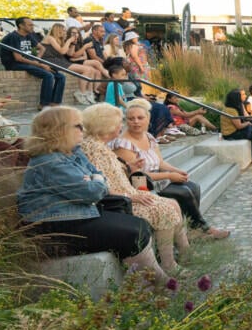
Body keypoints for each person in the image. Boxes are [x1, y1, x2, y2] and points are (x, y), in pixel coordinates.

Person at [16, 106, 164, 281]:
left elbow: (99, 180)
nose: (83, 130)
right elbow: (92, 192)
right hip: (56, 226)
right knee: (133, 232)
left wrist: (94, 180)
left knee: (139, 225)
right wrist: (95, 181)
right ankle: (158, 282)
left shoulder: (73, 153)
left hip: (78, 215)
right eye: (78, 126)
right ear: (59, 130)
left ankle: (148, 282)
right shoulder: (49, 161)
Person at [80, 103, 189, 272]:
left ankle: (183, 252)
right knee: (165, 209)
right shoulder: (95, 149)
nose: (121, 126)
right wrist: (131, 196)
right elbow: (101, 184)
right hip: (118, 200)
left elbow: (110, 172)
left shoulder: (99, 146)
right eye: (119, 122)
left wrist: (129, 166)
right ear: (105, 126)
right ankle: (169, 264)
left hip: (127, 193)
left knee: (172, 203)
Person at [110, 98, 230, 240]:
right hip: (141, 184)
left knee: (193, 186)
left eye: (140, 118)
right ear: (126, 121)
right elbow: (137, 175)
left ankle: (190, 228)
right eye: (131, 119)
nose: (136, 121)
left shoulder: (148, 137)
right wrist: (169, 176)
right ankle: (204, 228)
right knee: (184, 192)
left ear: (148, 119)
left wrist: (176, 170)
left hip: (157, 177)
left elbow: (160, 162)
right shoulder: (123, 144)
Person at [0, 17, 65, 109]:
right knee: (48, 75)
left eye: (32, 24)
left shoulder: (28, 35)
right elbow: (18, 58)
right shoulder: (13, 37)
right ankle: (44, 104)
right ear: (21, 25)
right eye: (29, 25)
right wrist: (39, 64)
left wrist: (37, 60)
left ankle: (55, 103)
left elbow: (42, 48)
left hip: (27, 63)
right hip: (14, 64)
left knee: (61, 76)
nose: (32, 27)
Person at [38, 23, 105, 105]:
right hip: (50, 60)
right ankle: (81, 93)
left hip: (59, 60)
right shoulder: (50, 38)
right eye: (63, 30)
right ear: (58, 30)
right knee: (87, 69)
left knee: (91, 70)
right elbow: (62, 51)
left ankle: (88, 93)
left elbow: (69, 53)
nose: (65, 32)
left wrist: (73, 43)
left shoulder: (60, 40)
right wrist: (69, 41)